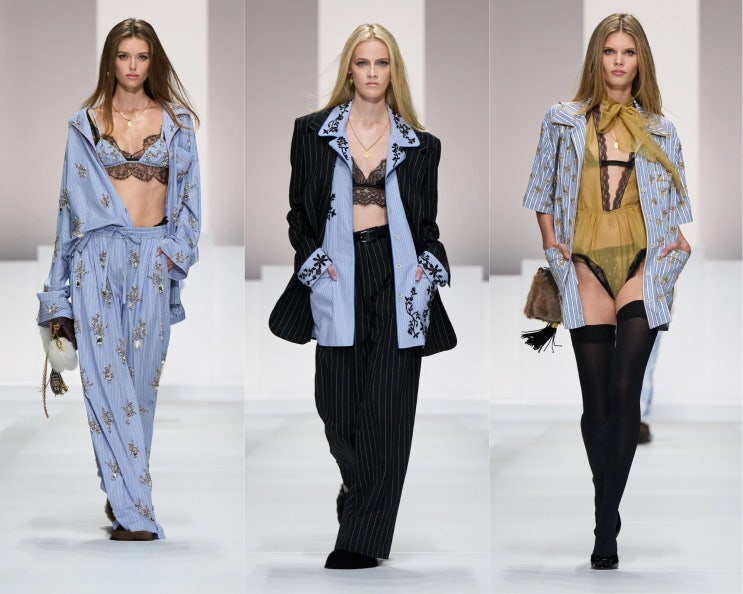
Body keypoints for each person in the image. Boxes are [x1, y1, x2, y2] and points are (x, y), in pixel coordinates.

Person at [269, 23, 456, 569]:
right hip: (337, 271)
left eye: (381, 63)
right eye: (363, 62)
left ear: (393, 71)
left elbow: (426, 224)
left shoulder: (422, 146)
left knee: (390, 410)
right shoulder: (312, 133)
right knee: (337, 406)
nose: (372, 72)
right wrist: (314, 261)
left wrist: (428, 268)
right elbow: (298, 213)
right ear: (349, 70)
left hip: (399, 277)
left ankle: (361, 539)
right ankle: (357, 486)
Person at [523, 14, 692, 569]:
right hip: (584, 261)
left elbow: (676, 204)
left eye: (629, 52)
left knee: (625, 388)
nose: (619, 62)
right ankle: (608, 505)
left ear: (642, 61)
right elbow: (542, 190)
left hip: (643, 259)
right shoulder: (562, 119)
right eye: (610, 51)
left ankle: (603, 525)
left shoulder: (661, 129)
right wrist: (553, 247)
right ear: (597, 57)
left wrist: (679, 245)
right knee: (596, 403)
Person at [36, 18, 201, 541]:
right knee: (105, 384)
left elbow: (189, 199)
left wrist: (173, 256)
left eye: (142, 56)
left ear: (153, 62)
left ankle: (122, 487)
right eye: (124, 55)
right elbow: (68, 210)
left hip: (151, 261)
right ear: (110, 60)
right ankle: (135, 512)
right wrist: (57, 295)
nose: (132, 66)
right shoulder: (83, 125)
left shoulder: (176, 124)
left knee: (140, 387)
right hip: (96, 262)